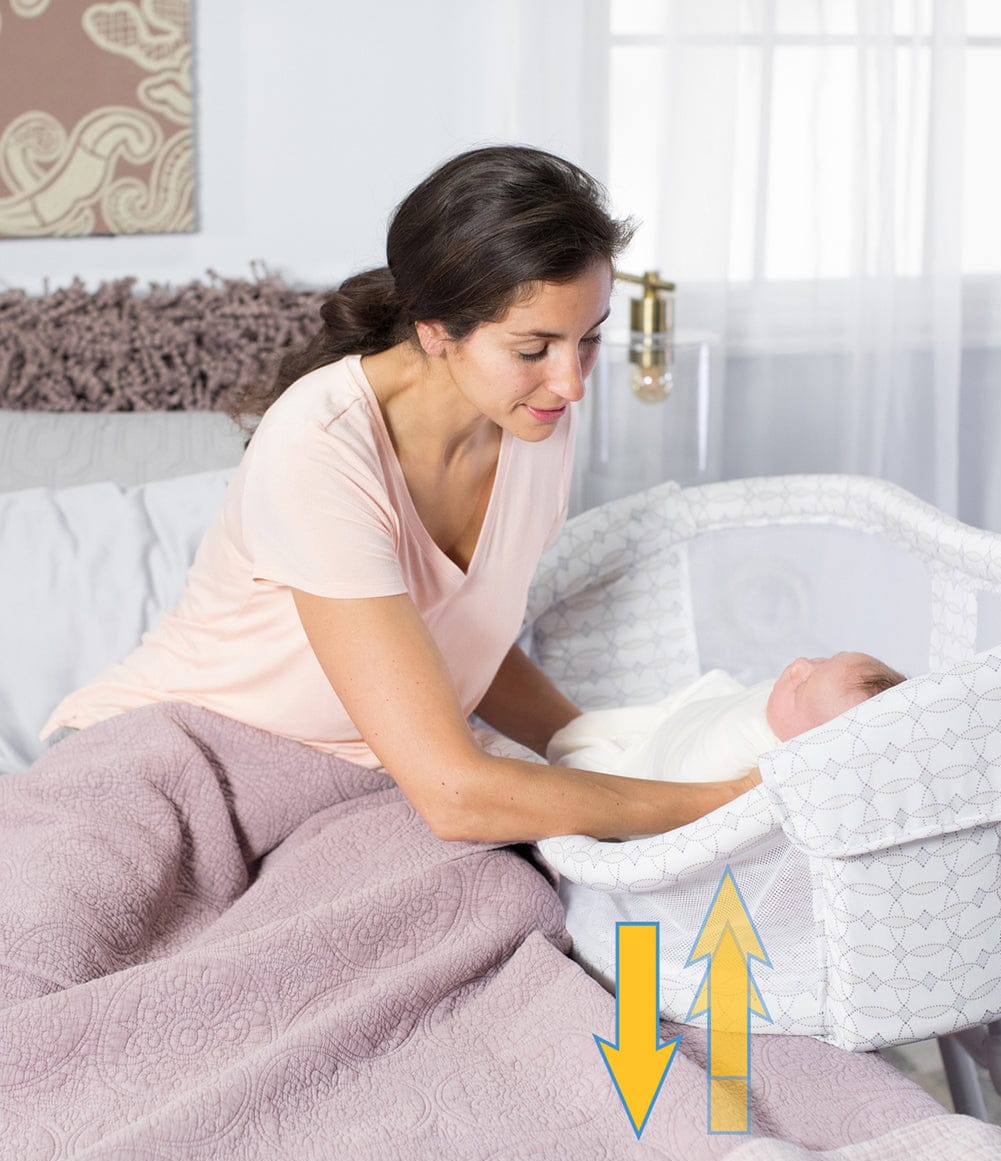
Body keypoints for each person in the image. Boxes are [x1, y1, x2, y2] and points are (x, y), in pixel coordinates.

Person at [37, 145, 762, 842]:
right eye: (533, 349)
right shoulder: (319, 447)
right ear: (437, 330)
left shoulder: (534, 417)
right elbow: (455, 797)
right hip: (173, 761)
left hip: (351, 783)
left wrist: (596, 746)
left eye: (589, 339)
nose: (571, 383)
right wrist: (731, 804)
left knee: (499, 901)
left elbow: (455, 637)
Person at [546, 652, 906, 784]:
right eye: (822, 660)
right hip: (681, 720)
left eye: (801, 688)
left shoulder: (764, 771)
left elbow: (684, 797)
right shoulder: (789, 716)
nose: (799, 665)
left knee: (583, 760)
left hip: (649, 777)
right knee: (589, 730)